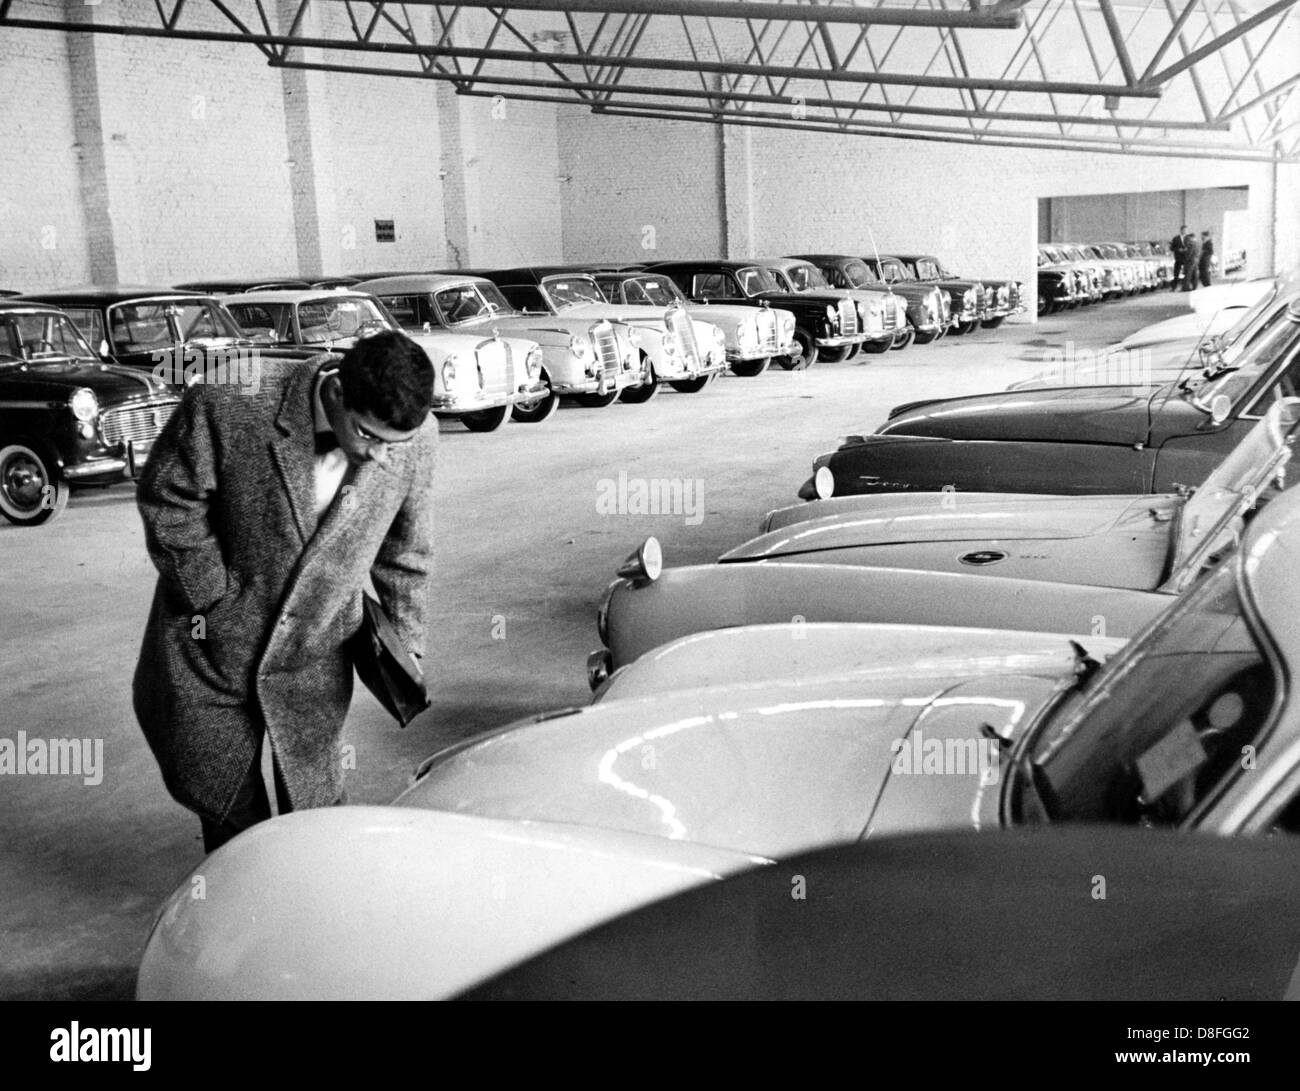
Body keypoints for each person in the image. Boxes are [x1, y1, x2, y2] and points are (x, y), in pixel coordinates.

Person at [133, 332, 437, 853]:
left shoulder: (419, 437)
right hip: (210, 651)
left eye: (396, 444)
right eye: (368, 436)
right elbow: (168, 498)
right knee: (227, 808)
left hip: (315, 653)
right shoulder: (227, 400)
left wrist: (405, 645)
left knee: (315, 814)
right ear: (337, 393)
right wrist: (212, 599)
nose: (383, 458)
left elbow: (406, 551)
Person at [1169, 226, 1188, 291]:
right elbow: (1171, 248)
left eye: (1186, 230)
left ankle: (1185, 287)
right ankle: (1173, 287)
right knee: (1176, 273)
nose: (1185, 231)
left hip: (1186, 258)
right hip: (1178, 258)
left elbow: (1191, 247)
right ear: (1181, 230)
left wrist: (1186, 249)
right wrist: (1178, 249)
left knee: (1187, 273)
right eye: (1184, 230)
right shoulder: (1176, 238)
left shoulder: (1188, 238)